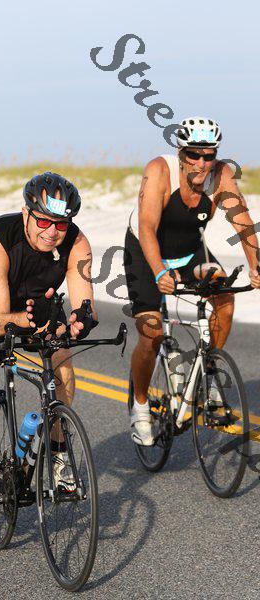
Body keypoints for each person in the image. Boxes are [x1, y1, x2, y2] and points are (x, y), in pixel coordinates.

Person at [0, 172, 98, 513]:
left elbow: (85, 302)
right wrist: (26, 321)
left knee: (62, 373)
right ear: (26, 214)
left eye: (61, 224)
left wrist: (81, 321)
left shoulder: (77, 243)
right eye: (43, 221)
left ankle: (59, 452)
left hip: (39, 305)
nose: (52, 232)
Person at [124, 117, 260, 446]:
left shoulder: (221, 176)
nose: (201, 163)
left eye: (208, 155)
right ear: (180, 152)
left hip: (189, 254)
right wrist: (159, 272)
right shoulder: (159, 170)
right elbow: (146, 227)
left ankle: (208, 370)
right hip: (146, 252)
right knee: (151, 332)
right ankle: (139, 406)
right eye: (193, 155)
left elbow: (243, 223)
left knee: (224, 297)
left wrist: (256, 265)